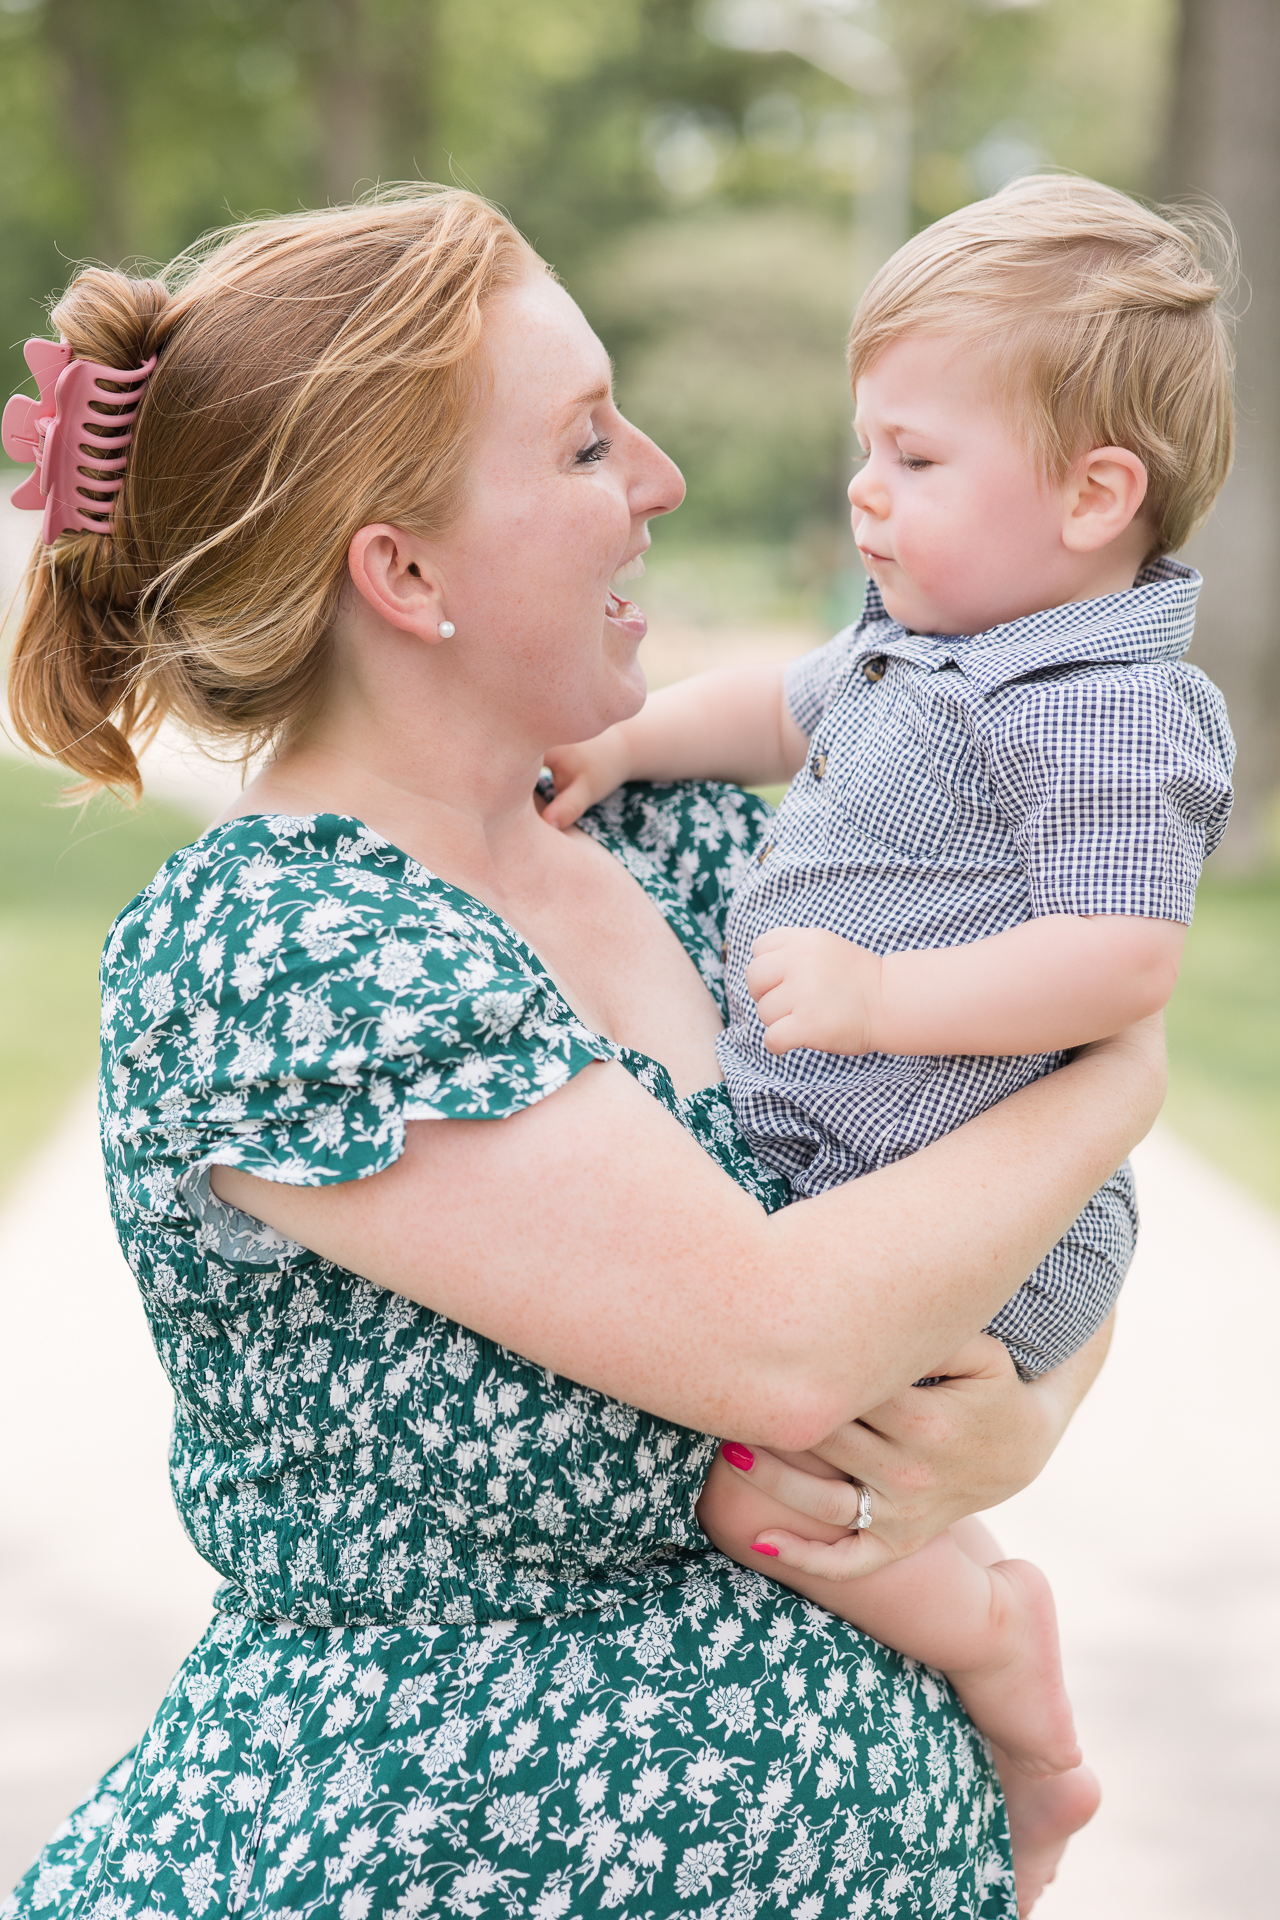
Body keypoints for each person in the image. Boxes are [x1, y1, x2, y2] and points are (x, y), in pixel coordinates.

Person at [1, 188, 1163, 1920]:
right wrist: (1125, 1072)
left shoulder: (685, 843)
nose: (662, 477)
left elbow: (991, 1203)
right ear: (402, 573)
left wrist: (1021, 1429)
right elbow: (779, 1341)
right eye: (584, 442)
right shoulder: (279, 952)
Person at [541, 171, 1235, 1899]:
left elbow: (1122, 961)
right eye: (870, 446)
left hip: (989, 1218)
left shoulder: (1105, 703)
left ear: (1095, 496)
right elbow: (777, 705)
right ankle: (972, 1608)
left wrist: (881, 998)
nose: (865, 488)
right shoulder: (915, 648)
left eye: (916, 459)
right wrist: (629, 748)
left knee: (740, 1482)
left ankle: (1003, 1655)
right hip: (864, 1171)